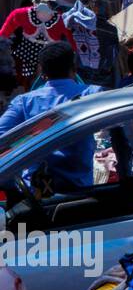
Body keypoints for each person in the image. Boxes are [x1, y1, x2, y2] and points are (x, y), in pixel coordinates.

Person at [0, 42, 104, 188]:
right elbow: (121, 135)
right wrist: (126, 176)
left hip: (38, 194)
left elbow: (2, 141)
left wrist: (11, 186)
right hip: (81, 192)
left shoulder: (24, 102)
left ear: (41, 71)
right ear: (74, 67)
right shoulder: (93, 94)